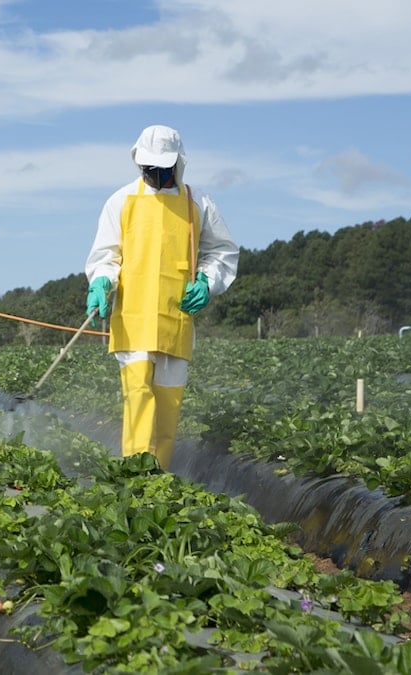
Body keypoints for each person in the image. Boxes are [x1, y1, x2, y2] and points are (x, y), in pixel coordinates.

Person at [84, 125, 238, 470]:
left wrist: (207, 282)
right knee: (138, 399)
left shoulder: (198, 203)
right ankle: (135, 480)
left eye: (162, 169)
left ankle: (159, 481)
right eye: (149, 169)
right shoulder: (121, 201)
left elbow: (221, 252)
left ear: (178, 164)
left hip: (176, 318)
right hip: (133, 319)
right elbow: (106, 256)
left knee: (168, 410)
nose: (155, 175)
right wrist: (101, 283)